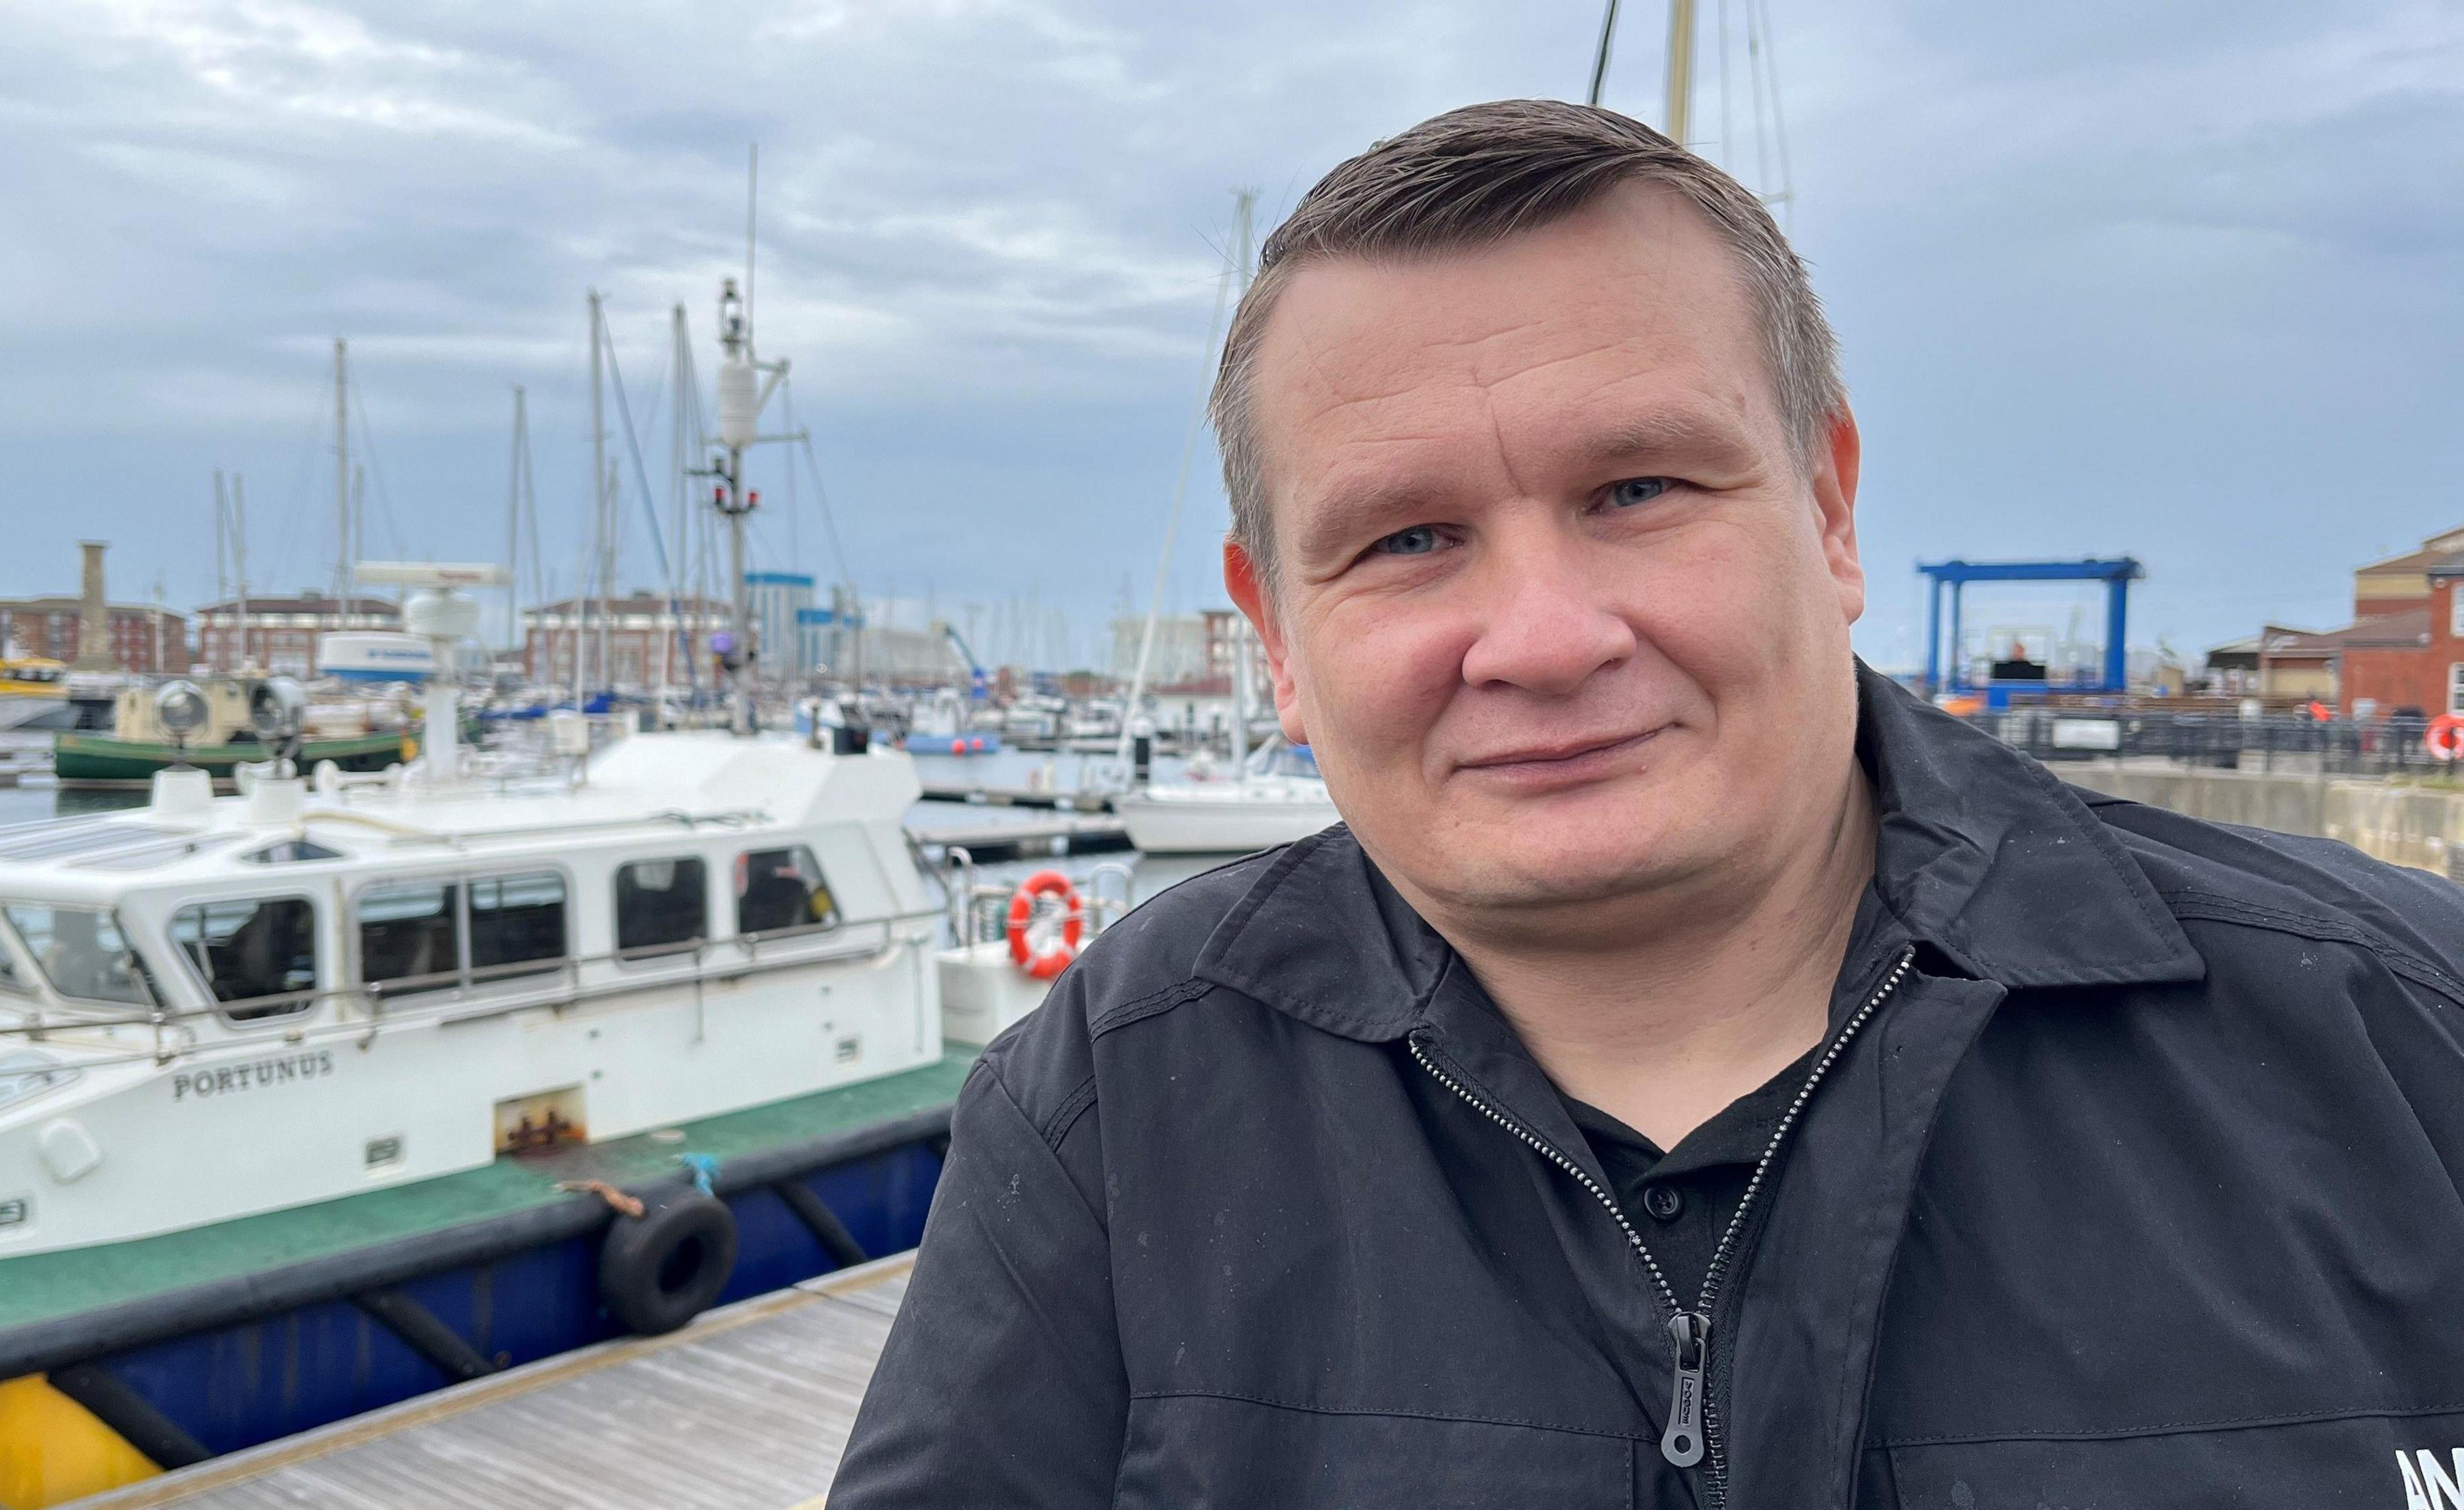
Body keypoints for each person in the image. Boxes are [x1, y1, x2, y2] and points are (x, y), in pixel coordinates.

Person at [829, 101, 2464, 1508]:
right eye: (1407, 539)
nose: (1542, 639)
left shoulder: (2394, 1033)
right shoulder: (1117, 1099)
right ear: (1275, 631)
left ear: (1828, 514)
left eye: (1637, 490)